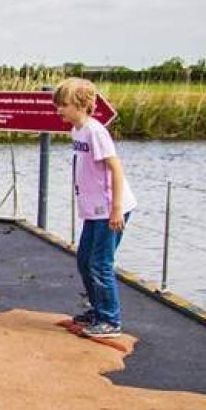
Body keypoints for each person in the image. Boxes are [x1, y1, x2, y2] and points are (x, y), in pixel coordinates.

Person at [55, 77, 136, 338]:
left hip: (108, 209)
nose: (59, 110)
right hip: (94, 209)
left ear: (81, 105)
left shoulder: (95, 131)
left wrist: (116, 208)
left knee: (100, 263)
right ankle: (97, 309)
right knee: (84, 260)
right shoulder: (77, 131)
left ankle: (110, 320)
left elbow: (115, 167)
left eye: (64, 105)